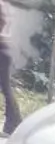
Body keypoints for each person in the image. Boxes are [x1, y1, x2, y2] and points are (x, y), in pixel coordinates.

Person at [0, 1, 20, 136]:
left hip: (2, 48)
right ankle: (13, 123)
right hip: (5, 47)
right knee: (5, 87)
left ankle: (14, 122)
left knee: (5, 87)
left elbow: (3, 25)